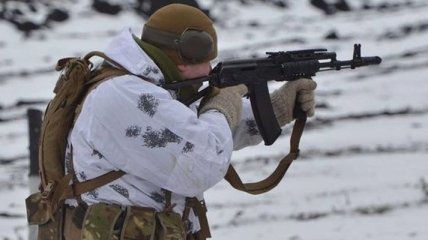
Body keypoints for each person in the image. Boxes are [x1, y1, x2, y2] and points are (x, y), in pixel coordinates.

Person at [62, 3, 317, 240]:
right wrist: (223, 105)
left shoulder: (152, 86)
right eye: (207, 59)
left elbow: (195, 132)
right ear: (186, 55)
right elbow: (202, 161)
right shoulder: (127, 95)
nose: (210, 69)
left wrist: (277, 109)